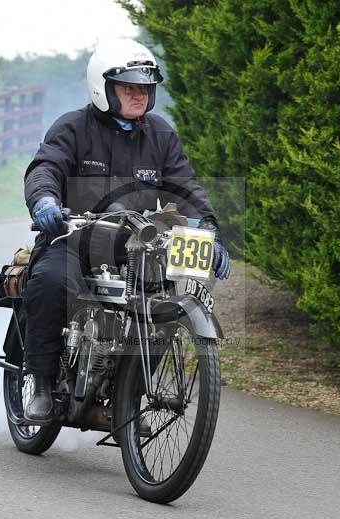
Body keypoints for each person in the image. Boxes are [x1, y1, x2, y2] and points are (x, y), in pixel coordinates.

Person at [21, 38, 231, 425]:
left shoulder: (160, 134)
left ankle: (125, 399)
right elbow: (44, 168)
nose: (139, 95)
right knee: (50, 283)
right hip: (73, 237)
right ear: (103, 88)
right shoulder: (72, 127)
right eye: (129, 86)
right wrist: (45, 202)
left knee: (163, 299)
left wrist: (210, 231)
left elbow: (185, 187)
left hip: (133, 245)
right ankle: (44, 385)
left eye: (145, 87)